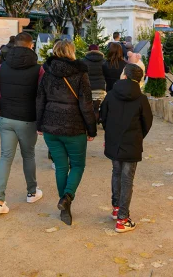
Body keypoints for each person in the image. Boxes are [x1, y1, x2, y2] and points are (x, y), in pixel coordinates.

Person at [36, 40, 97, 226]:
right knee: (78, 165)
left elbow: (40, 100)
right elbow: (86, 104)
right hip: (74, 126)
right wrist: (92, 128)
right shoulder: (80, 73)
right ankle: (67, 197)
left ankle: (65, 204)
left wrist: (39, 124)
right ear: (71, 52)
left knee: (61, 167)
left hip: (51, 126)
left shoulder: (47, 73)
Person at [0, 32, 44, 214]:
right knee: (28, 155)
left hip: (6, 118)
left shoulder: (2, 67)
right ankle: (31, 192)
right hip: (28, 119)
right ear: (31, 46)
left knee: (5, 157)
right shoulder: (38, 69)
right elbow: (41, 96)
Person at [100, 64, 153, 233]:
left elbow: (104, 118)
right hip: (132, 142)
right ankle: (123, 217)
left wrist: (111, 134)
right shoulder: (141, 98)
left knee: (116, 173)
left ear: (124, 76)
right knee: (127, 178)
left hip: (115, 141)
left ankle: (117, 208)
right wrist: (138, 136)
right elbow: (147, 122)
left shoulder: (110, 95)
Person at [81, 44, 107, 121]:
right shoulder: (104, 61)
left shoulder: (83, 61)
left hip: (87, 88)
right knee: (96, 109)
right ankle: (95, 124)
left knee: (88, 109)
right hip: (100, 88)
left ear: (88, 51)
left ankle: (89, 126)